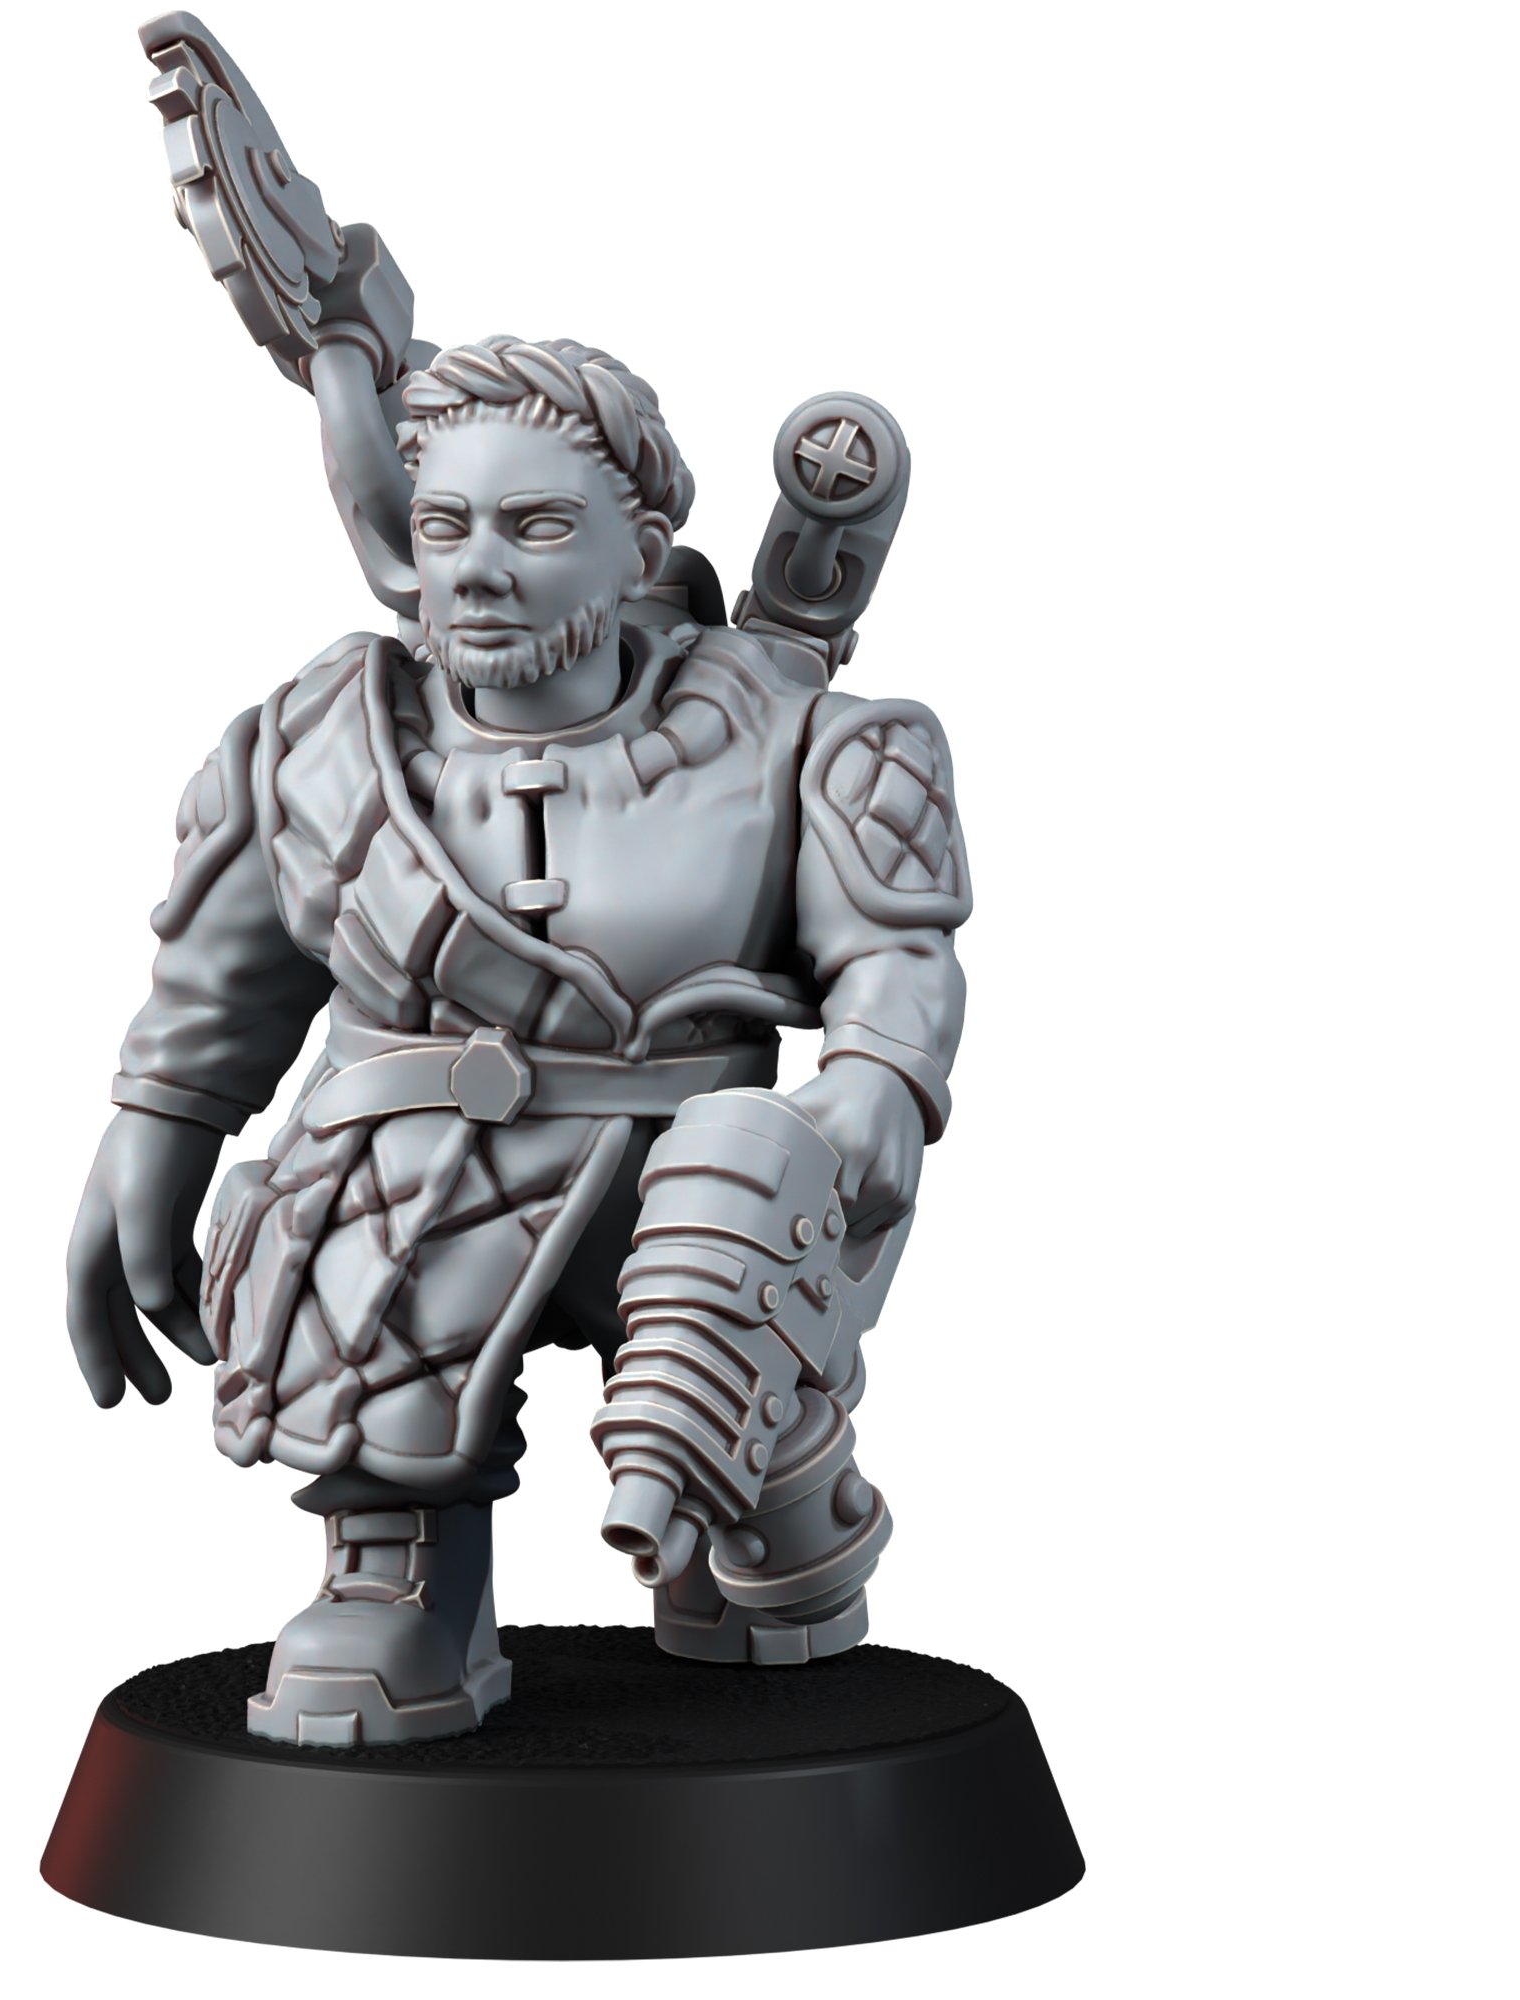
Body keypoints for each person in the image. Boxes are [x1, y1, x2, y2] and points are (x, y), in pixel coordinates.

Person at [66, 338, 969, 1745]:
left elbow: (892, 952)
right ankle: (397, 1582)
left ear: (640, 550)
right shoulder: (324, 746)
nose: (479, 570)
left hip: (684, 1181)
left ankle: (773, 1479)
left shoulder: (799, 737)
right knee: (368, 1315)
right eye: (446, 526)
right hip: (412, 1175)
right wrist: (157, 1128)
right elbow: (220, 977)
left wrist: (876, 1081)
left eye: (536, 525)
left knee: (739, 1267)